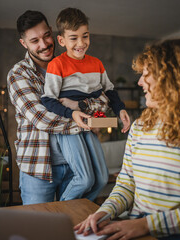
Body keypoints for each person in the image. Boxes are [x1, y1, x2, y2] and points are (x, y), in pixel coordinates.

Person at [75, 39, 180, 240]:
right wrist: (104, 212)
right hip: (136, 224)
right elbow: (126, 184)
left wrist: (144, 225)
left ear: (171, 78)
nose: (140, 82)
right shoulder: (139, 127)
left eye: (146, 75)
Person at [7, 10, 110, 204]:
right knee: (40, 229)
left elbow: (103, 101)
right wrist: (87, 121)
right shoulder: (19, 74)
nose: (44, 44)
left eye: (46, 36)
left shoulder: (72, 62)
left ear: (54, 33)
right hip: (37, 167)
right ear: (24, 43)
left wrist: (79, 104)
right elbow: (42, 118)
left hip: (76, 166)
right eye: (35, 41)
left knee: (72, 223)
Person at [41, 8, 131, 201]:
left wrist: (120, 109)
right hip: (68, 125)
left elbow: (110, 90)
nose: (81, 43)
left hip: (91, 124)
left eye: (85, 36)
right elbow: (48, 99)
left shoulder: (96, 63)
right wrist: (70, 112)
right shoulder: (57, 64)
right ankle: (63, 215)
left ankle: (79, 213)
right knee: (84, 179)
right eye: (73, 38)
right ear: (61, 41)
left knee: (101, 179)